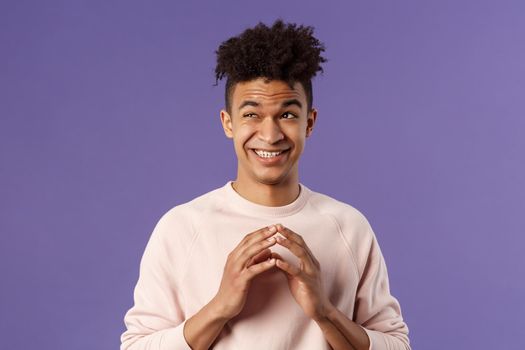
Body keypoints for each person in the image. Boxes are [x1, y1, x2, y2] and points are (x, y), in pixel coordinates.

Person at [121, 20, 410, 350]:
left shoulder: (349, 226)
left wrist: (325, 312)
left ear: (309, 123)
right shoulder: (182, 228)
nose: (270, 135)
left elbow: (397, 345)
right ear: (228, 123)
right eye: (251, 115)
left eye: (287, 114)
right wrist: (220, 307)